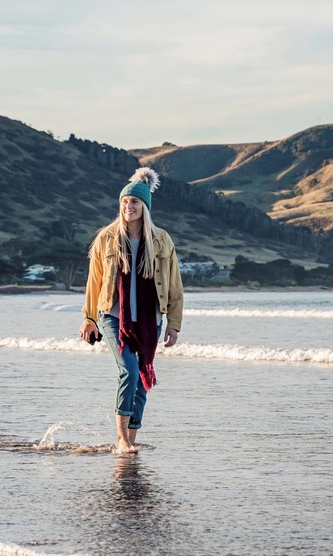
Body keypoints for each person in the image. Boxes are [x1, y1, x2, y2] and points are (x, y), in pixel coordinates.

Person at [80, 167, 184, 454]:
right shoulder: (107, 238)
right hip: (113, 317)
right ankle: (121, 439)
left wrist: (174, 324)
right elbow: (95, 281)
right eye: (125, 202)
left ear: (145, 206)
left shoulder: (162, 240)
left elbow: (174, 285)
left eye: (135, 202)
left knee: (141, 377)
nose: (129, 206)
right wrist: (89, 318)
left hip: (151, 320)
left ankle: (132, 438)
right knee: (128, 370)